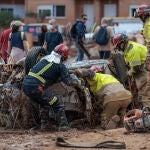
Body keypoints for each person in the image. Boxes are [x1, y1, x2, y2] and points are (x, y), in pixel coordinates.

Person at [22, 43, 83, 131]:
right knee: (56, 102)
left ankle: (45, 125)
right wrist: (79, 82)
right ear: (63, 55)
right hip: (36, 86)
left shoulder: (45, 59)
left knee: (44, 102)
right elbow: (68, 81)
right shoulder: (59, 65)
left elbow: (48, 75)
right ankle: (64, 126)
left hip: (26, 84)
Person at [75, 65, 131, 130]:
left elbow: (90, 72)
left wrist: (79, 71)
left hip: (113, 98)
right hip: (126, 97)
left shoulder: (96, 76)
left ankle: (110, 122)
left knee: (105, 123)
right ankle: (121, 125)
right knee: (121, 115)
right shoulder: (109, 76)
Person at [112, 33, 150, 107]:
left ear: (123, 43)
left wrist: (127, 74)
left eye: (119, 45)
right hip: (142, 69)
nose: (118, 48)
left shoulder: (132, 49)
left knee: (144, 94)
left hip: (144, 70)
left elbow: (136, 68)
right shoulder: (128, 48)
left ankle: (147, 112)